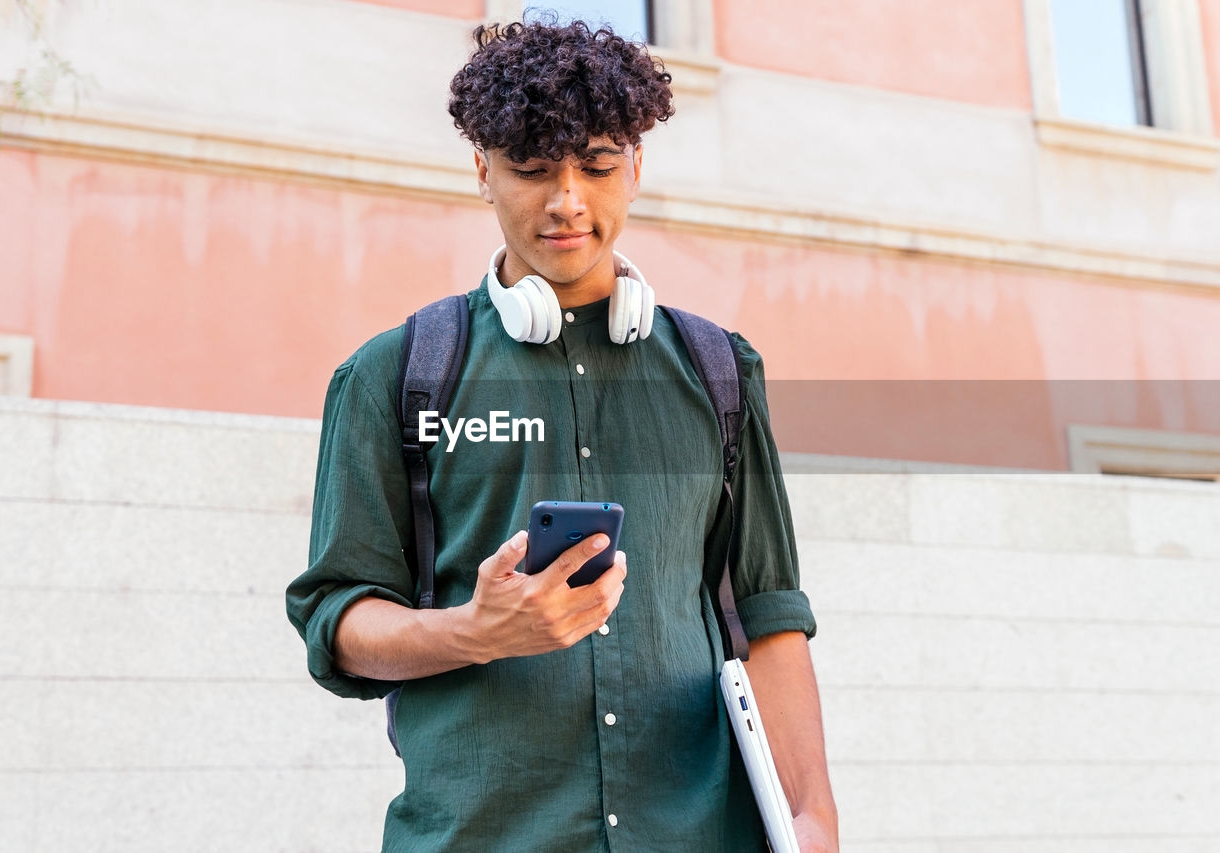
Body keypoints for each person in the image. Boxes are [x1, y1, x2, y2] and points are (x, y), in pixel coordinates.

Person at [287, 19, 838, 852]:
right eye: (533, 170)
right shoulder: (392, 375)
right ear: (483, 171)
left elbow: (768, 615)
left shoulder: (721, 371)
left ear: (637, 166)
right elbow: (337, 615)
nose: (568, 200)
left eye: (598, 165)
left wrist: (812, 819)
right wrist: (473, 630)